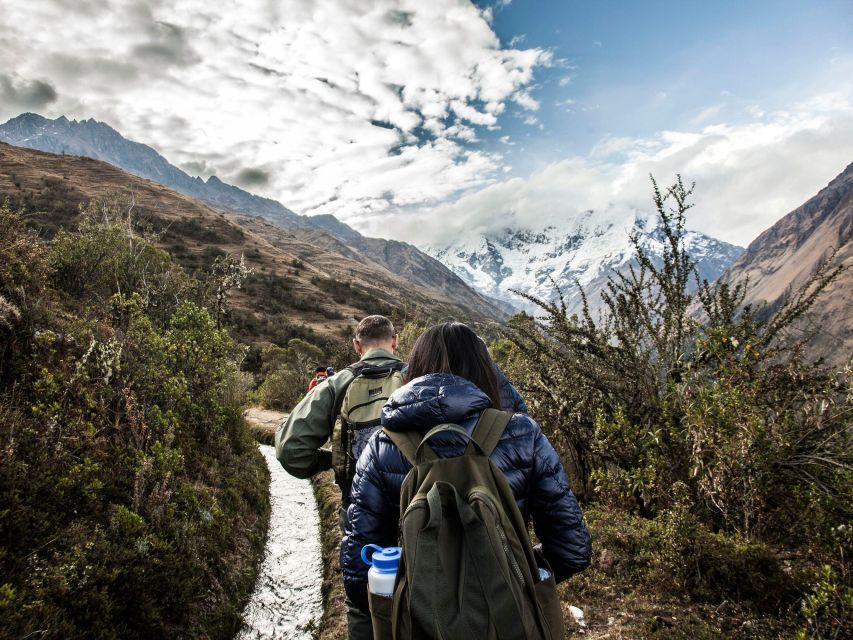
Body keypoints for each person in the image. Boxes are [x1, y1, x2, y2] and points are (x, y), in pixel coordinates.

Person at [340, 322, 592, 631]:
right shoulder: (523, 434)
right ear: (487, 371)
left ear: (415, 369)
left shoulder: (383, 445)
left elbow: (357, 574)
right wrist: (514, 571)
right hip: (509, 622)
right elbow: (573, 550)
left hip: (420, 625)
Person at [276, 314, 404, 640]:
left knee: (363, 606)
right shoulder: (417, 377)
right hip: (416, 514)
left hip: (358, 516)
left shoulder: (337, 384)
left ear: (357, 345)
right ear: (395, 341)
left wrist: (334, 462)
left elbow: (290, 450)